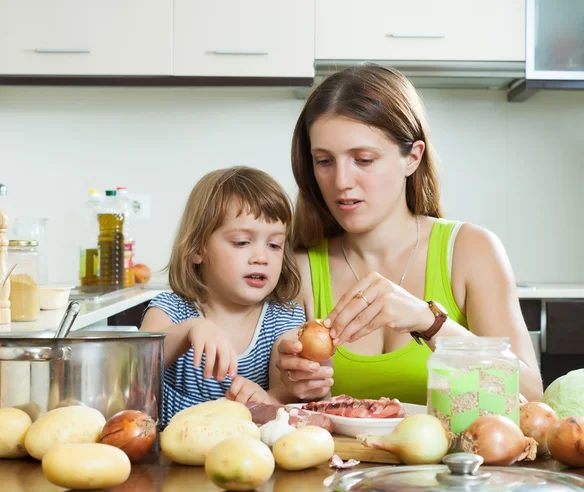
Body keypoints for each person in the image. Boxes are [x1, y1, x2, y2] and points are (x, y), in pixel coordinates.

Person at [276, 64, 543, 405]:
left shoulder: (471, 250)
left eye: (364, 159)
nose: (341, 181)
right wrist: (293, 386)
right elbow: (283, 416)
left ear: (412, 158)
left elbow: (533, 400)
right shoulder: (300, 267)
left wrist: (429, 322)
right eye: (325, 161)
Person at [140, 166, 305, 424]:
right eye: (242, 242)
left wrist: (267, 400)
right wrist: (188, 331)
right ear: (197, 249)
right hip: (168, 460)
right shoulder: (170, 309)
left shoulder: (284, 320)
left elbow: (287, 398)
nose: (261, 258)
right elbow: (135, 369)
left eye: (274, 245)